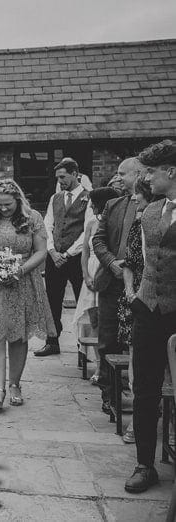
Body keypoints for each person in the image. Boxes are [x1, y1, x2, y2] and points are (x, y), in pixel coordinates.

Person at [0, 179, 55, 412]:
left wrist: (20, 270)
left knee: (18, 335)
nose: (4, 209)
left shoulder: (33, 218)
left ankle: (15, 384)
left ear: (18, 200)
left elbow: (40, 252)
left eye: (8, 204)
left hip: (23, 280)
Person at [124, 140, 176, 494]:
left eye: (152, 171)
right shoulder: (151, 212)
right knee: (144, 389)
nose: (146, 177)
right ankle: (145, 464)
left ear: (170, 171)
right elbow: (145, 261)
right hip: (148, 309)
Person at [92, 158, 143, 417]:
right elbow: (98, 240)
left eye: (123, 174)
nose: (119, 178)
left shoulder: (154, 205)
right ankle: (109, 394)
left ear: (139, 173)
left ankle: (144, 397)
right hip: (112, 283)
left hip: (142, 285)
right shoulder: (113, 204)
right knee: (108, 341)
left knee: (139, 344)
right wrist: (112, 263)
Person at [118, 176, 160, 445]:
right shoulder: (137, 224)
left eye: (138, 195)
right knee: (138, 363)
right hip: (138, 300)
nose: (134, 198)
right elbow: (129, 262)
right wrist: (131, 293)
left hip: (163, 300)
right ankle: (138, 422)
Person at [35, 158, 90, 357]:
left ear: (76, 174)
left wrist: (67, 253)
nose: (60, 181)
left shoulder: (88, 198)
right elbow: (47, 224)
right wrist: (52, 251)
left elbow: (87, 231)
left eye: (63, 176)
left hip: (76, 259)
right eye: (58, 177)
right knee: (52, 300)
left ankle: (82, 346)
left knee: (81, 301)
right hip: (54, 257)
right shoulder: (55, 198)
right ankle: (52, 341)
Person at [73, 187, 119, 384]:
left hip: (107, 272)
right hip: (91, 273)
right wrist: (85, 275)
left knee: (107, 323)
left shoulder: (114, 222)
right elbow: (85, 251)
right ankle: (98, 364)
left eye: (93, 202)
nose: (91, 205)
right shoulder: (92, 223)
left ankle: (106, 367)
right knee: (93, 321)